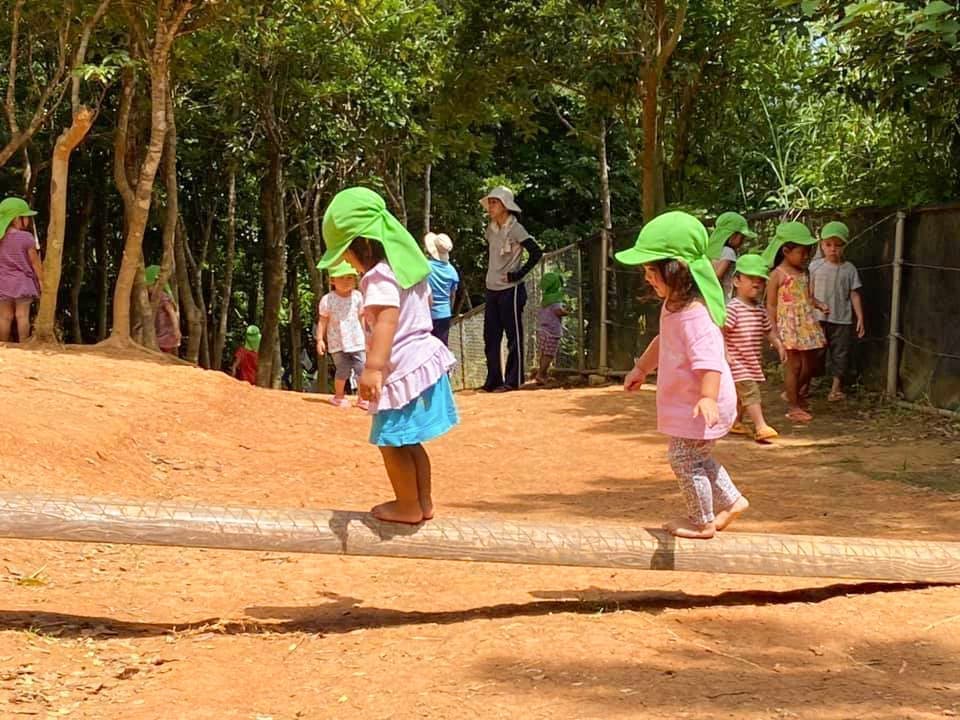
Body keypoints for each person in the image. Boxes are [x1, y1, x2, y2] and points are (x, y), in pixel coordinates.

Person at [318, 187, 458, 524]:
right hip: (424, 360)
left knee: (391, 443)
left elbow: (387, 318)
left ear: (363, 243)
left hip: (402, 368)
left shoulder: (379, 274)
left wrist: (373, 368)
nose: (347, 261)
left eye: (346, 252)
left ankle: (408, 506)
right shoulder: (407, 266)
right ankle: (422, 502)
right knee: (410, 442)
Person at [617, 211, 748, 540]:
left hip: (706, 400)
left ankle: (702, 520)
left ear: (675, 270)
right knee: (696, 456)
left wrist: (706, 397)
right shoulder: (673, 307)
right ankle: (732, 501)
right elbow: (664, 340)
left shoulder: (695, 316)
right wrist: (642, 368)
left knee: (682, 457)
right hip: (699, 400)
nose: (647, 277)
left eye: (651, 269)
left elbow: (710, 361)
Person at [762, 222, 828, 423]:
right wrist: (773, 331)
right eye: (802, 252)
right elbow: (771, 305)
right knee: (793, 366)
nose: (805, 256)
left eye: (807, 252)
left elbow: (807, 296)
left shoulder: (804, 273)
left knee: (811, 365)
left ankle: (793, 394)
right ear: (786, 251)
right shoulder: (777, 275)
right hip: (788, 326)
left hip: (806, 323)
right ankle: (793, 406)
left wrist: (818, 304)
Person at [480, 186, 543, 392]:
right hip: (492, 288)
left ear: (505, 206)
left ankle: (513, 380)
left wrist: (519, 273)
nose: (490, 206)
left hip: (511, 289)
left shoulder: (516, 228)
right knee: (491, 336)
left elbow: (536, 252)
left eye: (494, 202)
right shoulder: (490, 228)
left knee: (513, 335)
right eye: (489, 202)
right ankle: (493, 380)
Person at [723, 254, 786, 443]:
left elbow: (769, 331)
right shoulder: (733, 308)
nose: (756, 284)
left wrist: (779, 345)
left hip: (751, 362)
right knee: (750, 392)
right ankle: (760, 426)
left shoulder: (759, 309)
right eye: (751, 279)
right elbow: (720, 332)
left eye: (760, 280)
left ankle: (735, 421)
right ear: (736, 281)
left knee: (740, 396)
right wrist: (724, 353)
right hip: (737, 362)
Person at [810, 221, 865, 402]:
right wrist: (816, 304)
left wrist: (860, 318)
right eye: (828, 244)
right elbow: (806, 294)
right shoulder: (814, 267)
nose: (833, 249)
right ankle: (804, 385)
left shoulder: (849, 269)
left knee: (840, 353)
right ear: (822, 245)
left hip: (842, 318)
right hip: (817, 318)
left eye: (838, 245)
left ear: (844, 246)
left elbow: (854, 294)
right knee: (814, 352)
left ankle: (835, 388)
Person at [316, 261, 367, 409]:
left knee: (362, 368)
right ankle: (338, 397)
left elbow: (361, 318)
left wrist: (367, 337)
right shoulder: (327, 300)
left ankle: (362, 398)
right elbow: (322, 321)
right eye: (342, 278)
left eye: (350, 278)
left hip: (357, 340)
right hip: (337, 342)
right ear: (332, 280)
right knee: (342, 370)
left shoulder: (358, 297)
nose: (346, 282)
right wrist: (320, 339)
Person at [0, 197, 43, 342]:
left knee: (5, 317)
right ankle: (23, 344)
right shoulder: (26, 237)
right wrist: (41, 280)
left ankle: (3, 345)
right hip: (23, 283)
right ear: (17, 218)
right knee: (22, 315)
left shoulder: (1, 237)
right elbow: (35, 262)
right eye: (27, 217)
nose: (29, 220)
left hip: (3, 282)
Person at [707, 211, 756, 298]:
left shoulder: (711, 250)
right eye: (742, 237)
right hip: (725, 297)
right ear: (732, 235)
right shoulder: (729, 252)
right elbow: (717, 275)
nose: (743, 241)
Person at [424, 231, 459, 346]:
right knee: (442, 347)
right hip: (444, 314)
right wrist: (449, 310)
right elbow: (452, 295)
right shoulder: (452, 271)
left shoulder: (426, 267)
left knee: (427, 349)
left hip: (428, 314)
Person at [534, 271, 568, 385]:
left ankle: (543, 374)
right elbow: (558, 311)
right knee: (549, 354)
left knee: (544, 353)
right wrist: (567, 312)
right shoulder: (555, 299)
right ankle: (540, 374)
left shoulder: (546, 298)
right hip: (552, 331)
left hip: (543, 329)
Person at [144, 265, 181, 354]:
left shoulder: (163, 296)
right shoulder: (152, 297)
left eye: (150, 286)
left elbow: (171, 312)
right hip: (159, 331)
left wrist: (176, 329)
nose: (148, 289)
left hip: (166, 333)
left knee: (164, 351)